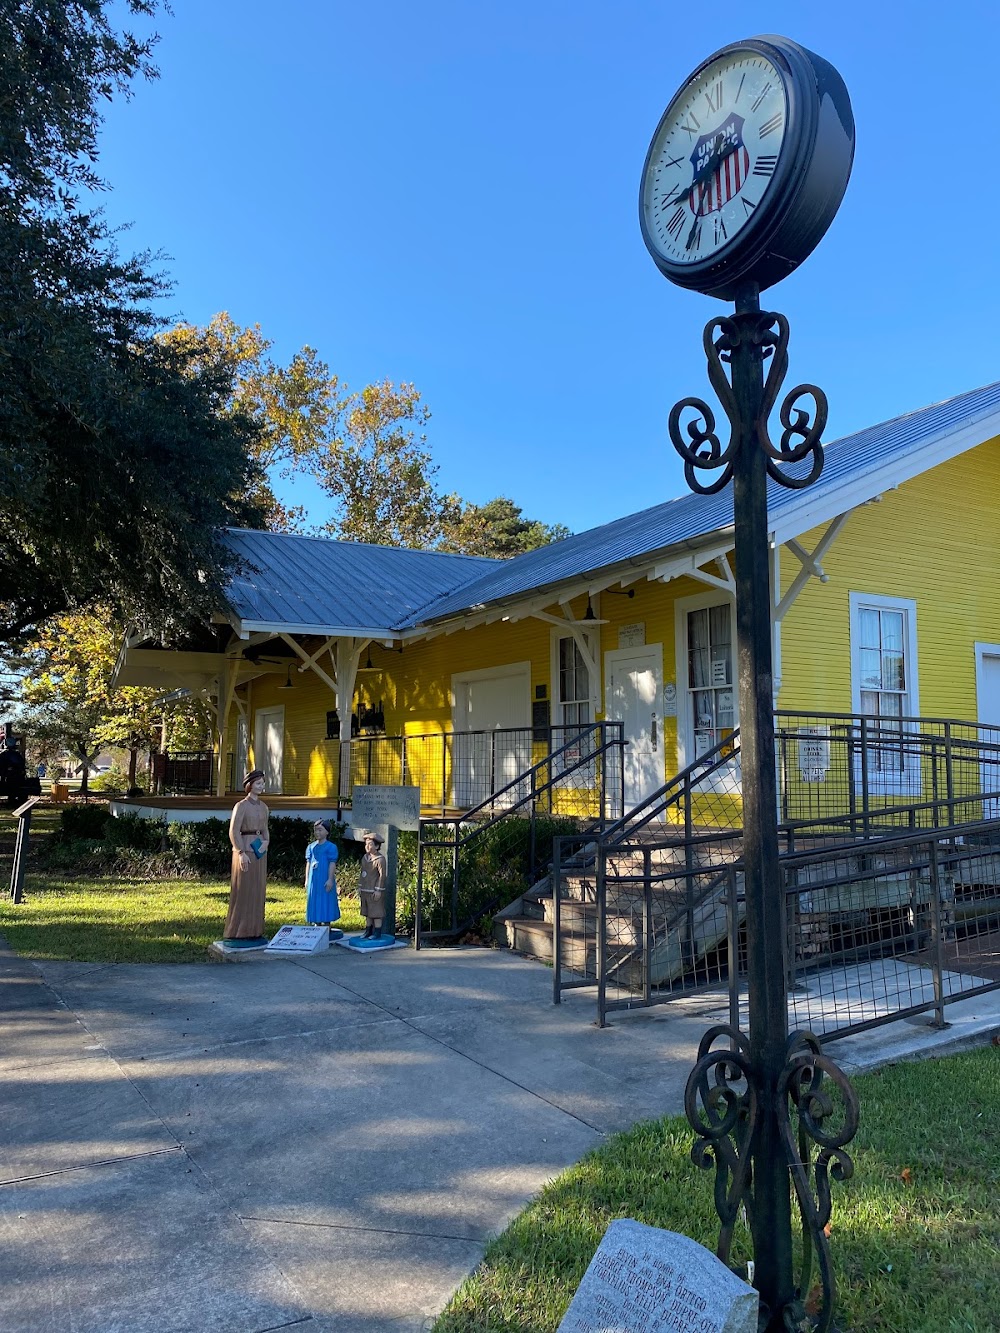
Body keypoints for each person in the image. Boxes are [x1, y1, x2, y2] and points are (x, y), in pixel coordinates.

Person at [224, 769, 270, 941]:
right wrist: (241, 852)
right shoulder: (241, 806)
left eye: (262, 783)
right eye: (258, 783)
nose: (261, 786)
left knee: (258, 890)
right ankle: (239, 930)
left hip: (259, 852)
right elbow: (234, 831)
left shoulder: (264, 807)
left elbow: (265, 829)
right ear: (249, 785)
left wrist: (266, 842)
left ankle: (255, 929)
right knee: (244, 890)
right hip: (245, 850)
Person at [305, 819, 340, 928]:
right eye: (316, 830)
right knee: (314, 898)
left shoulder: (331, 847)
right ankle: (316, 921)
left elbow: (332, 863)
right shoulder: (311, 847)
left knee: (326, 898)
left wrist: (330, 879)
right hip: (314, 878)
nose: (317, 832)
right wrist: (306, 879)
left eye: (320, 830)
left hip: (324, 876)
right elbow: (308, 863)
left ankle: (326, 923)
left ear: (327, 832)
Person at [358, 832, 387, 938]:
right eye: (366, 844)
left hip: (374, 891)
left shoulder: (380, 859)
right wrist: (360, 886)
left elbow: (382, 875)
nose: (367, 846)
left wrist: (378, 889)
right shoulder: (365, 858)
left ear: (377, 846)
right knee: (367, 912)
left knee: (376, 912)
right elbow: (362, 873)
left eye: (370, 844)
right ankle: (368, 931)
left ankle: (377, 932)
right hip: (366, 890)